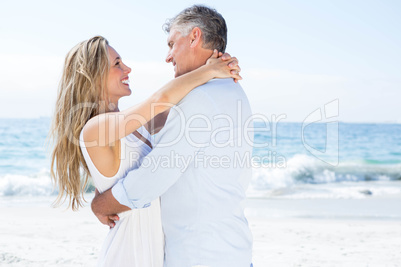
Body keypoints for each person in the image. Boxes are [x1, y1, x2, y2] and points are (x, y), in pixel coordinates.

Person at [49, 35, 241, 267]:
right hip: (127, 255)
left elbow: (175, 104)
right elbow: (162, 99)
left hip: (151, 254)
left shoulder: (133, 128)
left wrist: (212, 66)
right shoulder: (95, 128)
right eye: (117, 64)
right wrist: (210, 71)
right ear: (92, 76)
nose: (127, 68)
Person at [91, 5, 254, 267]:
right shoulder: (229, 91)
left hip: (201, 257)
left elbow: (154, 175)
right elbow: (152, 118)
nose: (168, 56)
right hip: (228, 251)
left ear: (194, 37)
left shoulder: (201, 98)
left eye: (171, 44)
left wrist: (101, 205)